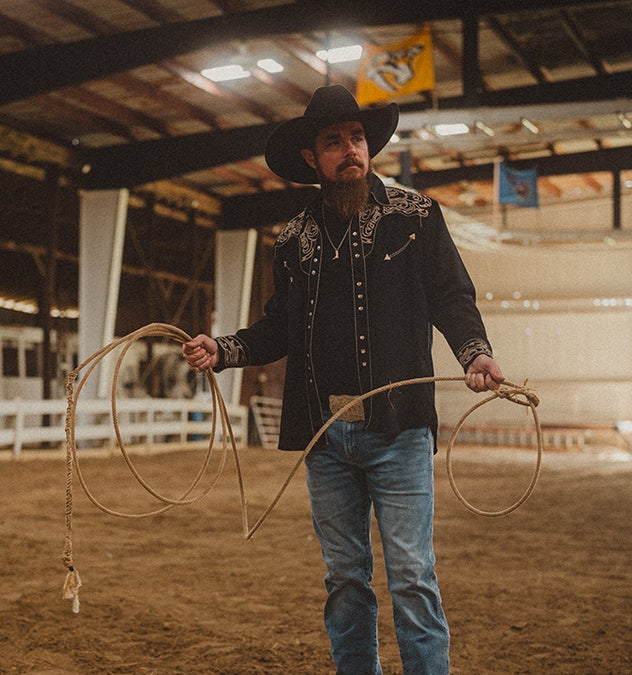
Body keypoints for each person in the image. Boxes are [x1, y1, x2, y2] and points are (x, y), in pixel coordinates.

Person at [182, 85, 504, 675]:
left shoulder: (417, 217)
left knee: (412, 578)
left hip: (400, 433)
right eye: (334, 142)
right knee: (345, 583)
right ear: (313, 158)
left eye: (356, 138)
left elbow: (452, 298)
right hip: (326, 441)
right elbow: (277, 327)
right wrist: (222, 349)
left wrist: (474, 354)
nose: (350, 150)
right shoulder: (292, 241)